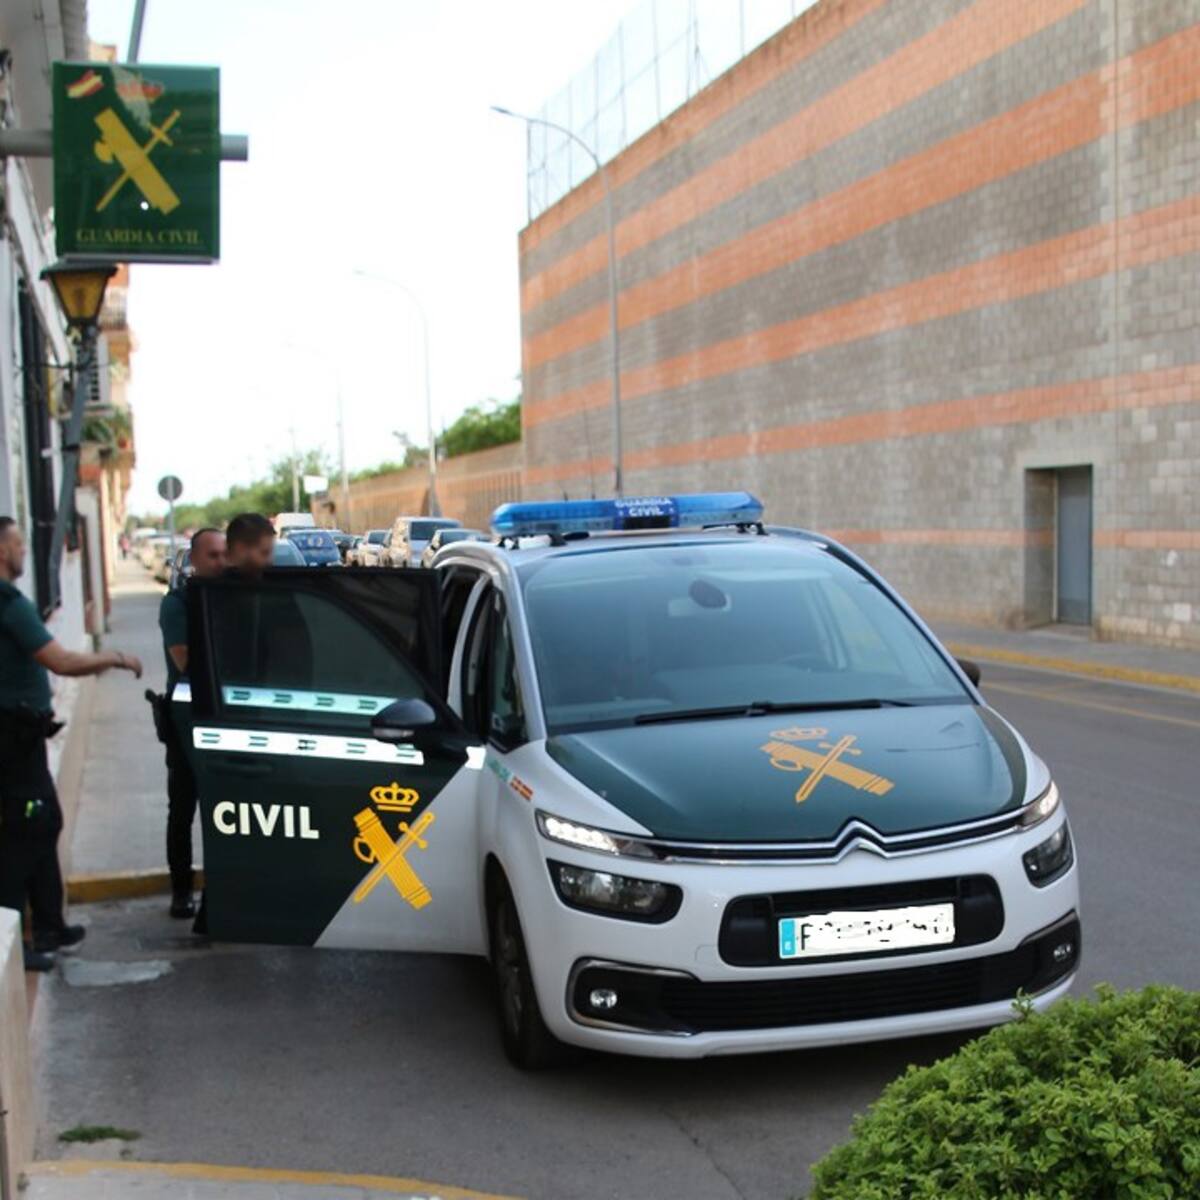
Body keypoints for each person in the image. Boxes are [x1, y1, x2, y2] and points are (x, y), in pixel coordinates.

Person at [0, 517, 143, 971]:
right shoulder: (9, 604)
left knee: (44, 822)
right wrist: (114, 658)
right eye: (18, 543)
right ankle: (12, 937)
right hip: (13, 738)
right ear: (1, 551)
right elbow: (60, 661)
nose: (25, 551)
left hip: (20, 736)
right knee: (29, 829)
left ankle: (50, 923)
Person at [158, 527, 225, 918]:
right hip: (186, 719)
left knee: (222, 810)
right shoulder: (178, 603)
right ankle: (181, 891)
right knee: (183, 807)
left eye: (224, 554)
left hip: (223, 715)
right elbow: (185, 660)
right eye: (212, 555)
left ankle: (221, 893)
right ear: (195, 559)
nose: (220, 561)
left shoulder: (230, 597)